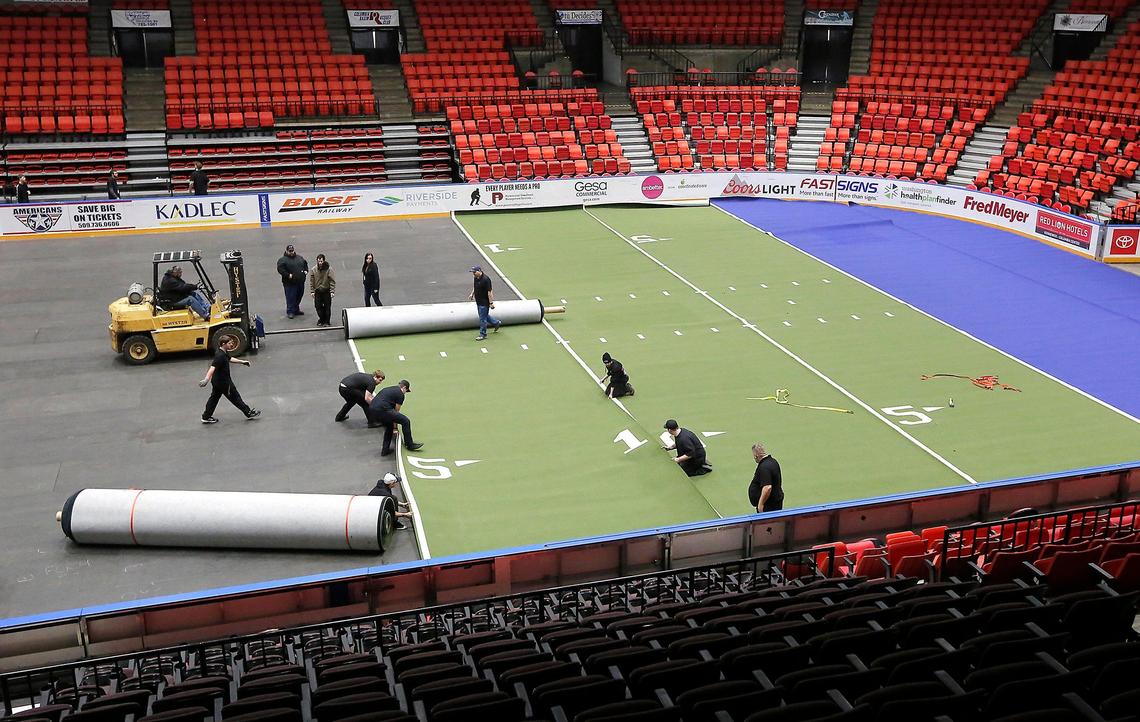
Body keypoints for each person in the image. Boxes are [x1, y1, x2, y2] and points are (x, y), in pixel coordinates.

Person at [199, 336, 260, 423]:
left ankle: (206, 417)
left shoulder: (223, 352)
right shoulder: (220, 356)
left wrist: (242, 362)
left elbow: (230, 359)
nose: (232, 344)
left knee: (214, 398)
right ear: (223, 344)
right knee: (235, 397)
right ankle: (248, 412)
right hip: (224, 383)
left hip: (217, 381)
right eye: (229, 343)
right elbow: (212, 368)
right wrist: (206, 379)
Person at [370, 379, 423, 455]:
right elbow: (396, 412)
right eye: (406, 390)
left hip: (372, 410)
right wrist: (396, 428)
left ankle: (385, 450)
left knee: (389, 426)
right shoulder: (400, 394)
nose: (405, 393)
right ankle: (410, 444)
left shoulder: (388, 389)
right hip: (382, 410)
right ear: (404, 387)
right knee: (405, 421)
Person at [748, 442, 784, 512]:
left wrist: (760, 504)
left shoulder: (764, 467)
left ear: (756, 456)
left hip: (768, 506)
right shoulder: (773, 461)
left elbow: (767, 487)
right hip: (775, 502)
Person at [469, 265, 501, 341]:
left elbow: (489, 292)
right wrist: (472, 294)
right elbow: (475, 287)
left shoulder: (486, 279)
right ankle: (496, 323)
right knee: (484, 315)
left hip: (484, 302)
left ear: (479, 271)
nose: (473, 273)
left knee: (482, 319)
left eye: (474, 272)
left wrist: (491, 303)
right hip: (478, 300)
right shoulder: (476, 278)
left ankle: (483, 334)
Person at [277, 244, 308, 319]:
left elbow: (305, 264)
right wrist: (288, 275)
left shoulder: (299, 258)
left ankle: (296, 309)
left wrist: (306, 271)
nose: (291, 252)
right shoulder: (282, 260)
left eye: (292, 251)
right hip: (289, 283)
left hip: (300, 281)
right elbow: (280, 269)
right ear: (286, 251)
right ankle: (290, 311)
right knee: (290, 297)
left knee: (299, 296)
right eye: (289, 251)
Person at [310, 253, 336, 326]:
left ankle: (327, 321)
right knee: (317, 306)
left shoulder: (329, 269)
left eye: (321, 261)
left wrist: (332, 291)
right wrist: (312, 291)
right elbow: (312, 281)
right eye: (319, 261)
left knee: (327, 306)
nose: (320, 263)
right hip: (318, 291)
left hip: (326, 290)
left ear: (324, 261)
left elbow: (332, 281)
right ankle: (321, 318)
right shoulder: (313, 270)